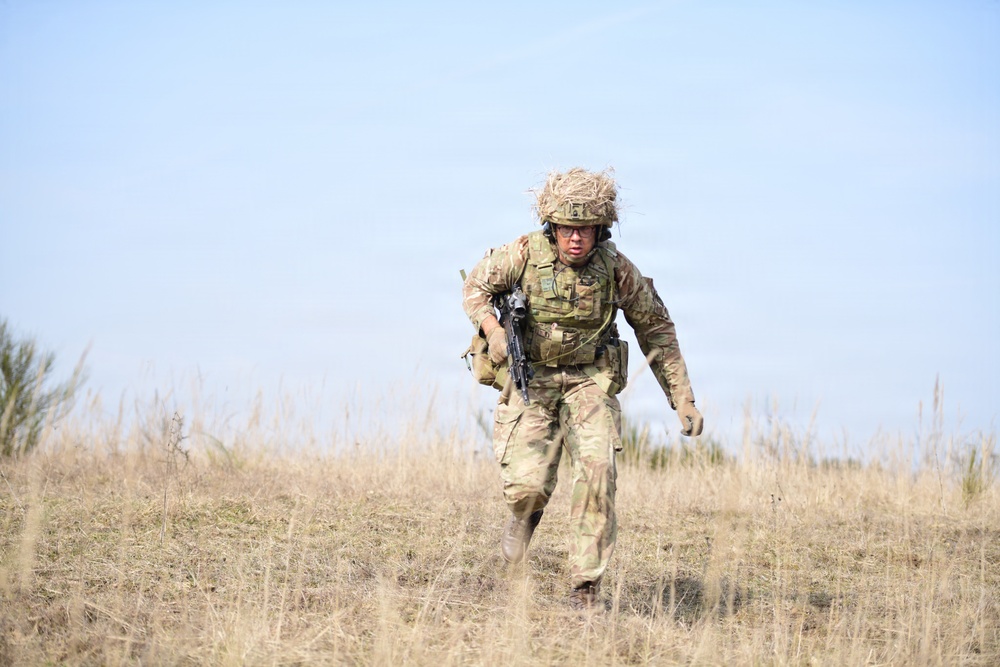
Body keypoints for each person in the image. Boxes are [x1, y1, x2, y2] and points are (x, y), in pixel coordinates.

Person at [461, 167, 703, 610]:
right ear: (552, 228)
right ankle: (525, 514)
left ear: (600, 230)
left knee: (597, 473)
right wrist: (493, 330)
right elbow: (474, 288)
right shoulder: (522, 254)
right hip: (532, 378)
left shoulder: (615, 269)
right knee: (527, 486)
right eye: (567, 229)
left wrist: (682, 397)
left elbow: (656, 328)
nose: (576, 238)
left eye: (586, 229)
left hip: (590, 381)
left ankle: (585, 589)